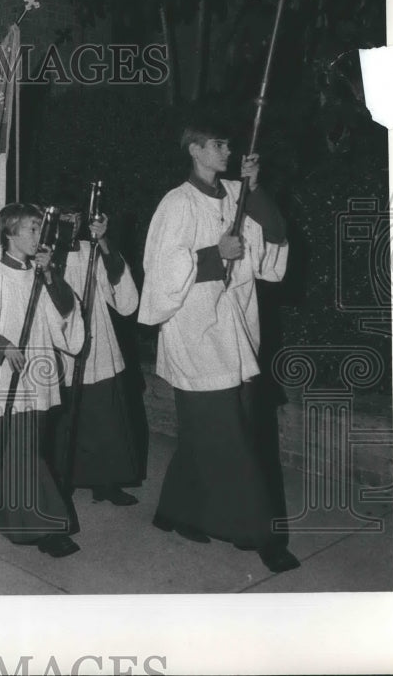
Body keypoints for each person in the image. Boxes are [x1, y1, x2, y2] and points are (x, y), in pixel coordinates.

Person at [138, 122, 299, 574]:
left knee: (214, 432)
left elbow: (277, 231)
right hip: (194, 333)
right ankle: (262, 536)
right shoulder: (177, 203)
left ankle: (176, 510)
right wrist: (213, 254)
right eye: (219, 144)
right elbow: (161, 268)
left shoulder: (234, 193)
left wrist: (254, 187)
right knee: (233, 438)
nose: (228, 150)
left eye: (228, 143)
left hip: (234, 329)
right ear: (195, 150)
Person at [0, 203, 83, 558]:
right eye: (32, 230)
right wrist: (2, 345)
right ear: (9, 234)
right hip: (4, 376)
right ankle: (45, 527)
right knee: (22, 452)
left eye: (40, 229)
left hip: (35, 373)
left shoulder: (40, 274)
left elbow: (65, 313)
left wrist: (50, 276)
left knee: (14, 449)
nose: (39, 236)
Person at [52, 206, 144, 505]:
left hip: (98, 340)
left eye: (75, 216)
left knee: (104, 415)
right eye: (64, 216)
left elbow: (116, 280)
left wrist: (103, 242)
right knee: (65, 417)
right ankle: (62, 479)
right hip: (61, 341)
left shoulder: (90, 249)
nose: (72, 221)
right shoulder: (43, 253)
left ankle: (106, 482)